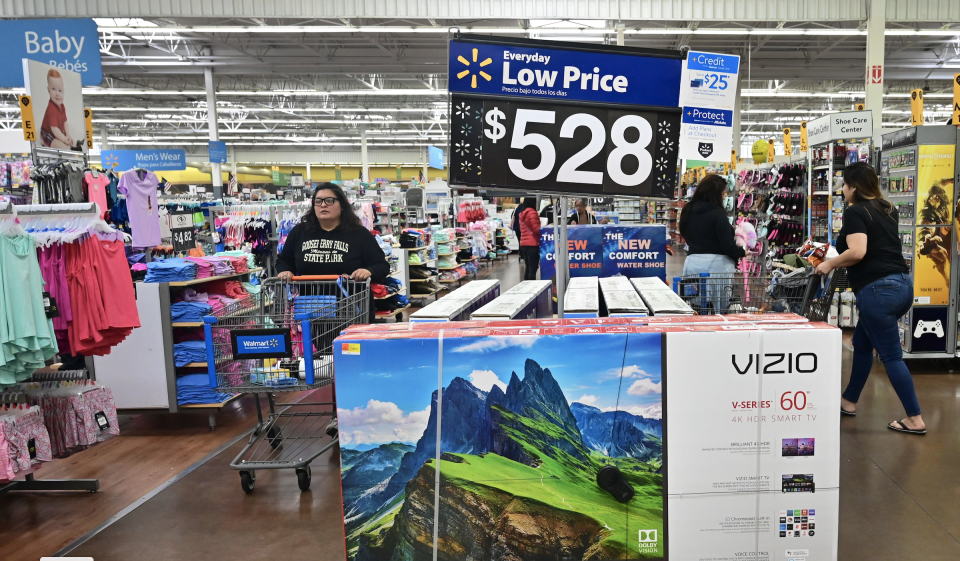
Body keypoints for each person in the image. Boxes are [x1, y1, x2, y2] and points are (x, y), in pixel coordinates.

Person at [815, 162, 924, 435]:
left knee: (891, 356)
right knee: (862, 343)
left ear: (854, 187)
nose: (842, 191)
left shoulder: (855, 211)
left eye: (845, 186)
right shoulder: (887, 209)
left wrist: (830, 264)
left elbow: (858, 251)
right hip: (901, 286)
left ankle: (914, 418)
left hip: (878, 291)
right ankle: (848, 401)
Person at [277, 183, 390, 322]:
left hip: (353, 311)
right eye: (318, 201)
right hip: (312, 311)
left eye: (329, 201)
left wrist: (369, 271)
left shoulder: (359, 234)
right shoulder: (300, 232)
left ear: (342, 205)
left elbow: (382, 266)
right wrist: (285, 271)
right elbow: (284, 260)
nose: (323, 205)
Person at [678, 174, 745, 312]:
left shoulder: (687, 209)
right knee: (717, 310)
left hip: (692, 264)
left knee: (695, 306)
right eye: (722, 193)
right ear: (715, 194)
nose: (724, 197)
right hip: (716, 268)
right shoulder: (718, 213)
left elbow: (685, 232)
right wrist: (742, 252)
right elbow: (727, 246)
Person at [40, 69, 76, 150]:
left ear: (63, 92)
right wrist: (64, 139)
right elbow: (54, 129)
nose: (57, 94)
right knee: (62, 146)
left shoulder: (62, 106)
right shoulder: (51, 109)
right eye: (53, 89)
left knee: (72, 143)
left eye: (60, 90)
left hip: (58, 131)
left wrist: (68, 135)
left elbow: (65, 121)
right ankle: (44, 142)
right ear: (48, 90)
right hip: (48, 133)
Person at [517, 197, 541, 280]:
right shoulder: (532, 213)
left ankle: (526, 286)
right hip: (532, 244)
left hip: (523, 243)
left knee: (528, 268)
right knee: (532, 270)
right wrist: (543, 228)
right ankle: (532, 288)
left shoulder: (521, 213)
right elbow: (536, 230)